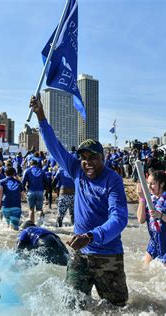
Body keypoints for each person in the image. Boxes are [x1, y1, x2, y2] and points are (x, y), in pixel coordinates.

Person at [30, 95, 129, 307]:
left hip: (108, 256)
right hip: (80, 254)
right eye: (84, 158)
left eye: (93, 157)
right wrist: (40, 116)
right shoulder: (76, 170)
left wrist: (92, 236)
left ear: (103, 158)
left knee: (117, 310)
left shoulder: (113, 180)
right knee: (71, 307)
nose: (88, 162)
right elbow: (55, 147)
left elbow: (119, 218)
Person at [136, 170, 166, 271]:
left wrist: (161, 215)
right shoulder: (150, 199)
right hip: (154, 241)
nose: (149, 187)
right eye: (148, 183)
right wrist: (142, 199)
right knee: (145, 271)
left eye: (152, 183)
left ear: (161, 184)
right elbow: (141, 219)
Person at [22, 159, 46, 223]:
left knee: (31, 209)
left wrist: (23, 190)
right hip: (40, 191)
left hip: (31, 191)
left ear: (30, 164)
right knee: (39, 209)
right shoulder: (42, 171)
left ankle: (32, 224)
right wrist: (46, 190)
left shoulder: (27, 171)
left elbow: (23, 181)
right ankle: (41, 223)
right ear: (37, 164)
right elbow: (46, 181)